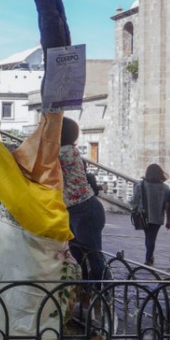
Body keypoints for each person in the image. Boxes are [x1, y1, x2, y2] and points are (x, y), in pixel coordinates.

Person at [58, 118, 106, 298]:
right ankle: (83, 294)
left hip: (84, 209)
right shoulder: (68, 150)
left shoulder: (64, 152)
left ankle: (101, 294)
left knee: (94, 256)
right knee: (77, 256)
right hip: (77, 210)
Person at [130, 163, 169, 266]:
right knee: (152, 237)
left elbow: (134, 200)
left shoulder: (141, 185)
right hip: (158, 216)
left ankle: (149, 257)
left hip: (144, 215)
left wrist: (134, 207)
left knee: (148, 236)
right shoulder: (165, 188)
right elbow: (167, 204)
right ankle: (149, 257)